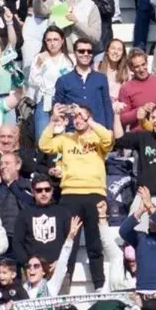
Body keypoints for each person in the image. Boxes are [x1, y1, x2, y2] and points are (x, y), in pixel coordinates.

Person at [37, 103, 112, 287]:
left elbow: (108, 140)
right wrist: (53, 120)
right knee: (68, 244)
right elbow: (44, 145)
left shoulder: (97, 137)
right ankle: (64, 286)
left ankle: (99, 287)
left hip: (95, 193)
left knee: (95, 244)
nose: (78, 120)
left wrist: (90, 121)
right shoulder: (66, 138)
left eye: (81, 116)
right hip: (70, 195)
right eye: (75, 117)